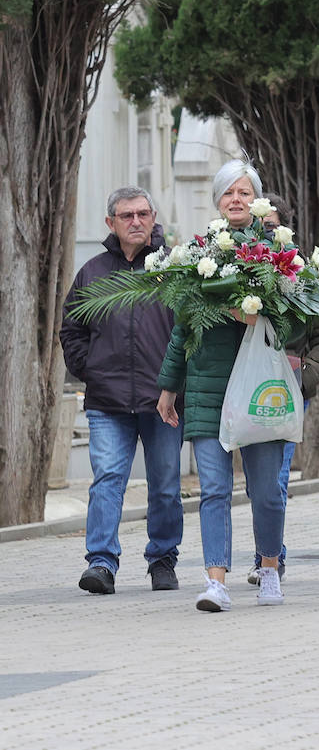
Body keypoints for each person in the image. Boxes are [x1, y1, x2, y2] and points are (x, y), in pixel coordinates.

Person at [155, 159, 301, 612]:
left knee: (266, 492)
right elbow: (183, 327)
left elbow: (297, 324)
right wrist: (168, 386)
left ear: (256, 200)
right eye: (228, 192)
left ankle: (270, 569)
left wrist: (257, 316)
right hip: (206, 390)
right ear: (218, 201)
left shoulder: (278, 254)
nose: (235, 200)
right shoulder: (199, 253)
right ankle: (215, 580)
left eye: (244, 192)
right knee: (213, 489)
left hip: (258, 392)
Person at [60, 186, 184, 594]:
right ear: (111, 223)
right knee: (108, 478)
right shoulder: (93, 272)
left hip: (163, 400)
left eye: (143, 214)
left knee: (165, 483)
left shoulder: (176, 269)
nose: (136, 222)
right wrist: (91, 370)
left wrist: (178, 381)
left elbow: (194, 329)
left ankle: (163, 560)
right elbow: (72, 329)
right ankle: (101, 564)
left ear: (153, 218)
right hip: (107, 401)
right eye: (127, 215)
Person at [244, 192, 319, 586]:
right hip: (244, 390)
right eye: (260, 227)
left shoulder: (304, 275)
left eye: (271, 227)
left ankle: (270, 560)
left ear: (285, 230)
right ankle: (267, 554)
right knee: (256, 482)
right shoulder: (239, 269)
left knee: (276, 477)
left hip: (285, 393)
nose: (265, 235)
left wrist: (302, 379)